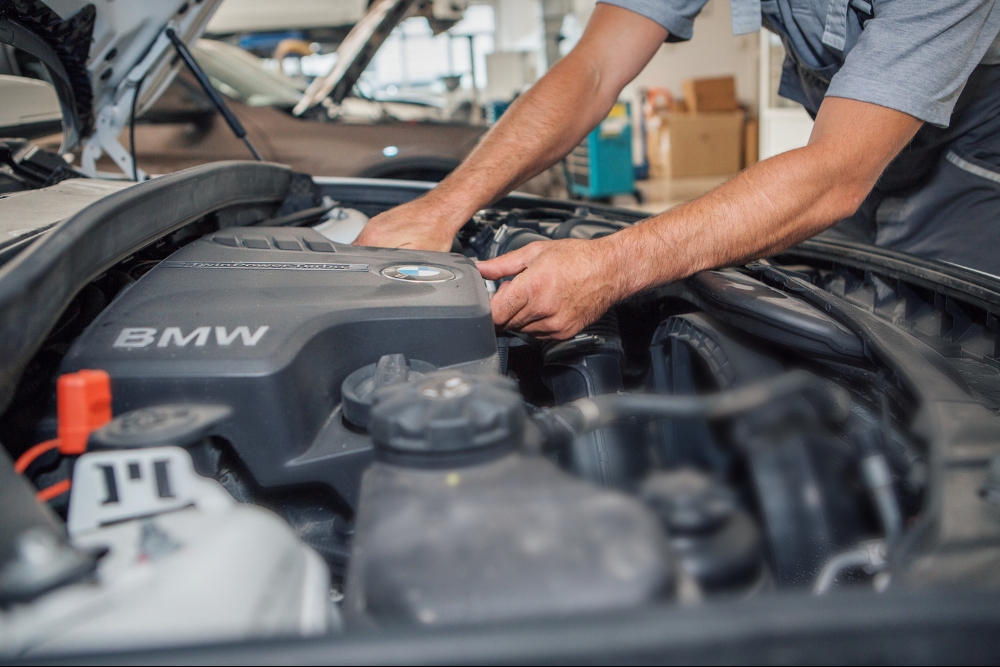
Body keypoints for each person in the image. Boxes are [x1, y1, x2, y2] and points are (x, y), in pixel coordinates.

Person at [355, 0, 1000, 340]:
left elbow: (834, 173)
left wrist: (613, 264)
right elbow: (593, 67)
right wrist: (445, 205)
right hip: (852, 162)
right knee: (855, 335)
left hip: (968, 167)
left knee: (954, 368)